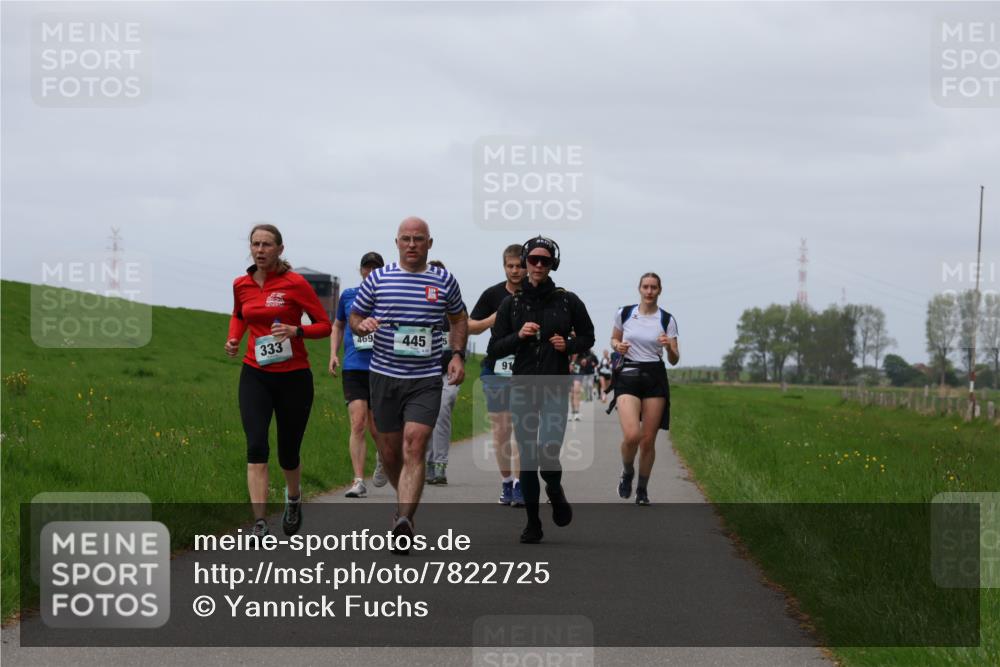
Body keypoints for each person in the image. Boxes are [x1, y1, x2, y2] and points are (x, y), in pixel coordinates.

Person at [349, 217, 468, 553]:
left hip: (426, 378)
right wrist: (362, 326)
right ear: (396, 242)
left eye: (419, 239)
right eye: (406, 239)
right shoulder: (379, 279)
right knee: (389, 451)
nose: (412, 244)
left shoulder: (443, 280)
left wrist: (457, 354)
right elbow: (356, 318)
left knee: (414, 446)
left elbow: (459, 318)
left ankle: (404, 520)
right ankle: (402, 500)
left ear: (430, 243)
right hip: (384, 376)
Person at [225, 224, 332, 537]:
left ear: (280, 249)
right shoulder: (241, 284)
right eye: (256, 244)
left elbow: (324, 325)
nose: (260, 250)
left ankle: (294, 498)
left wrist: (296, 330)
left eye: (267, 245)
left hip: (294, 378)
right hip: (255, 374)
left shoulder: (295, 283)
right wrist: (233, 339)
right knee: (256, 444)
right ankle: (259, 522)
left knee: (288, 451)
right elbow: (239, 315)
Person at [488, 236, 594, 544]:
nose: (537, 265)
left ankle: (555, 489)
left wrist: (569, 344)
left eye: (544, 260)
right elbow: (494, 348)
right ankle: (533, 522)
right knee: (529, 457)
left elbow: (588, 335)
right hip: (522, 386)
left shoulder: (567, 300)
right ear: (525, 262)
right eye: (532, 259)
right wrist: (518, 336)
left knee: (549, 451)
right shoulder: (513, 303)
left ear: (552, 264)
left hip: (555, 386)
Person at [609, 272, 679, 506]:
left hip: (654, 377)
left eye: (654, 288)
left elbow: (674, 359)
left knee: (648, 441)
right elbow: (613, 340)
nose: (649, 291)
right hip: (628, 374)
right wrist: (618, 345)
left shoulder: (667, 319)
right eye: (645, 287)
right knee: (632, 436)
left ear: (660, 291)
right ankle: (628, 471)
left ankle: (642, 489)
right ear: (639, 289)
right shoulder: (625, 313)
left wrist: (669, 346)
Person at [468, 244, 525, 506]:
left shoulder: (537, 294)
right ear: (504, 267)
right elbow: (470, 327)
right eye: (510, 266)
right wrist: (494, 319)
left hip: (526, 369)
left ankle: (521, 483)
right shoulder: (492, 294)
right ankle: (506, 483)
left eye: (519, 266)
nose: (515, 271)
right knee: (502, 431)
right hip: (496, 369)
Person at [330, 251, 387, 498]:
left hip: (381, 367)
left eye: (376, 268)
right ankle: (358, 480)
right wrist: (333, 353)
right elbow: (338, 325)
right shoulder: (349, 295)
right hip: (353, 366)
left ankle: (383, 457)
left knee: (378, 427)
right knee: (358, 422)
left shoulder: (389, 298)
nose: (370, 272)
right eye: (367, 268)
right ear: (361, 270)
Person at [425, 260, 461, 485]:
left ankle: (440, 464)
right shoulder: (420, 303)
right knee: (424, 417)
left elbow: (463, 329)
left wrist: (460, 357)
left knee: (443, 411)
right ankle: (427, 462)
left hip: (448, 371)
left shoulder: (455, 304)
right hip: (424, 370)